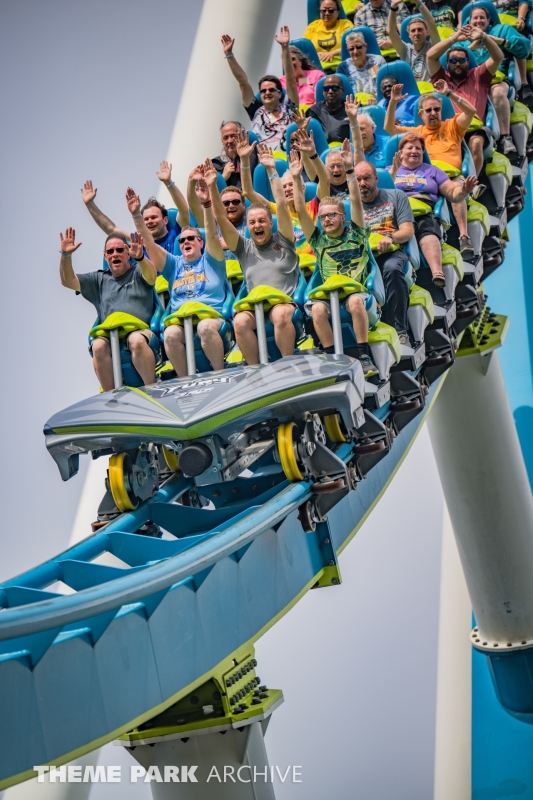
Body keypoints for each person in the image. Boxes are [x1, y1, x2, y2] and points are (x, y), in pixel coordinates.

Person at [289, 142, 379, 377]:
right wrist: (296, 178)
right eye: (322, 217)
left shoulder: (356, 232)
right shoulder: (318, 240)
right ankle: (332, 358)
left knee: (355, 302)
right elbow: (300, 210)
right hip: (329, 295)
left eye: (331, 215)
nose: (326, 220)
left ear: (342, 216)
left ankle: (364, 355)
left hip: (356, 292)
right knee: (317, 309)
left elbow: (356, 201)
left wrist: (349, 170)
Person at [206, 149, 300, 365]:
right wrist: (212, 187)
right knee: (239, 322)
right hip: (255, 306)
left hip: (283, 303)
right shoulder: (243, 247)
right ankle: (256, 371)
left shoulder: (284, 239)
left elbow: (282, 205)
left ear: (270, 222)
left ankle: (288, 365)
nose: (257, 225)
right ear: (248, 227)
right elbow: (221, 217)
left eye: (262, 220)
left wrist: (271, 170)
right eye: (252, 222)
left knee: (280, 315)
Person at [126, 185, 229, 377]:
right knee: (170, 334)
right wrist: (137, 216)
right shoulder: (174, 264)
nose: (185, 242)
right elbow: (150, 245)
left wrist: (206, 204)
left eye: (191, 238)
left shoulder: (212, 259)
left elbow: (211, 233)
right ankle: (185, 379)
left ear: (201, 242)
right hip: (181, 319)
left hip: (211, 316)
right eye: (181, 240)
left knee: (205, 327)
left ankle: (220, 374)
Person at [59, 228, 157, 391]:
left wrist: (140, 257)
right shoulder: (98, 279)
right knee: (97, 346)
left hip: (140, 331)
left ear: (128, 253)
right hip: (110, 335)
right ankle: (112, 396)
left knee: (136, 340)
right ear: (105, 256)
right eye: (110, 252)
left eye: (119, 250)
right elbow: (67, 281)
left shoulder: (138, 270)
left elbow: (152, 276)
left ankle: (152, 389)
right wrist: (66, 255)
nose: (115, 254)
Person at [385, 82, 478, 251]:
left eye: (437, 109)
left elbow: (471, 111)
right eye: (428, 110)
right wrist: (393, 102)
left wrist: (449, 93)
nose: (433, 113)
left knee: (457, 186)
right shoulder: (417, 133)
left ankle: (464, 236)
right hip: (427, 178)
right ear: (421, 114)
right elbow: (389, 128)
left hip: (451, 176)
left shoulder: (452, 125)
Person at [390, 133, 477, 286]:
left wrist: (463, 191)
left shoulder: (432, 171)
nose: (414, 151)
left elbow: (452, 193)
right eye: (410, 148)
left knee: (427, 230)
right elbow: (379, 195)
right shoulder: (388, 171)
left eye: (418, 148)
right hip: (395, 213)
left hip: (422, 211)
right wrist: (393, 172)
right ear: (400, 152)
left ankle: (437, 271)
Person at [355, 160, 415, 344]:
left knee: (391, 268)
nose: (362, 183)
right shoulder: (350, 207)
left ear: (376, 178)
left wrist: (391, 237)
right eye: (358, 180)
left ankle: (400, 331)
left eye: (366, 178)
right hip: (363, 258)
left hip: (391, 252)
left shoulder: (396, 196)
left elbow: (408, 231)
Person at [427, 28, 508, 161]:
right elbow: (430, 56)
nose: (457, 64)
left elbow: (498, 57)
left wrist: (484, 36)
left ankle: (475, 176)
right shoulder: (440, 79)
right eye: (453, 61)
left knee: (475, 143)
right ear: (447, 64)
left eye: (461, 60)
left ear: (468, 62)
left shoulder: (478, 75)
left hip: (474, 129)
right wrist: (453, 39)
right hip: (448, 131)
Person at [221, 27, 298, 150]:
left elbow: (290, 78)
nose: (267, 92)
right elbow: (243, 82)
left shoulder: (289, 106)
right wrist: (229, 55)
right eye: (263, 91)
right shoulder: (255, 110)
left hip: (291, 156)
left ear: (280, 94)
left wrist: (284, 47)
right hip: (265, 158)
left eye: (271, 90)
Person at [81, 167, 188, 254]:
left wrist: (168, 182)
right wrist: (90, 204)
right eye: (146, 219)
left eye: (154, 217)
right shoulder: (140, 241)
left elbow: (183, 210)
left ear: (165, 220)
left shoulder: (177, 232)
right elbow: (111, 229)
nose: (150, 221)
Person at [462, 5, 532, 135]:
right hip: (471, 83)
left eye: (482, 17)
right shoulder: (462, 39)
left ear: (488, 20)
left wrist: (499, 41)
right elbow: (450, 60)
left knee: (498, 93)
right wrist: (470, 48)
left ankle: (505, 137)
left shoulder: (502, 29)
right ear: (469, 21)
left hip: (497, 80)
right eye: (475, 18)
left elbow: (525, 50)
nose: (478, 21)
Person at [387, 0, 440, 82]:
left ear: (427, 32)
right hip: (413, 89)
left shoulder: (433, 46)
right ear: (409, 35)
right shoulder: (405, 50)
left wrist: (418, 2)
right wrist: (393, 7)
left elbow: (431, 22)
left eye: (420, 30)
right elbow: (391, 31)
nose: (416, 33)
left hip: (431, 88)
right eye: (413, 31)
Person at [304, 0, 354, 72]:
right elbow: (305, 49)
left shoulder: (345, 24)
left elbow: (353, 45)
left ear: (338, 12)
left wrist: (333, 53)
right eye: (323, 11)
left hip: (343, 67)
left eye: (331, 11)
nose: (327, 13)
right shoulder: (312, 26)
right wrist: (316, 54)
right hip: (318, 69)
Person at [211, 121, 258, 188]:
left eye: (233, 136)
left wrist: (244, 158)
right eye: (225, 138)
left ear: (241, 136)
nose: (230, 141)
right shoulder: (216, 164)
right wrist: (223, 178)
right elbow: (212, 192)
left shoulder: (253, 155)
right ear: (222, 141)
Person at [336, 31, 386, 95]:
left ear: (365, 46)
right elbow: (340, 93)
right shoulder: (343, 68)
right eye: (351, 49)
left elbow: (386, 83)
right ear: (348, 50)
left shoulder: (377, 60)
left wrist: (375, 97)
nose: (355, 51)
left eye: (358, 47)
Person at [306, 75, 351, 143]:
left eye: (335, 88)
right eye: (326, 88)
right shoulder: (314, 111)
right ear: (323, 91)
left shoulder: (352, 108)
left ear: (342, 91)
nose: (330, 91)